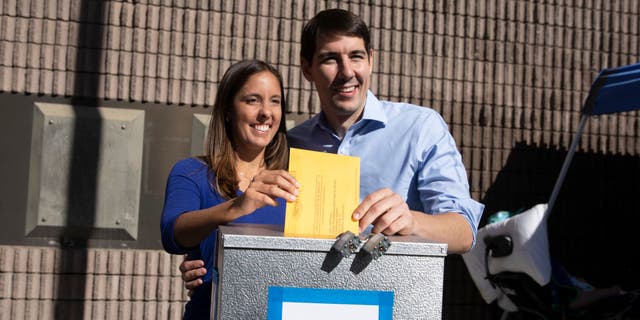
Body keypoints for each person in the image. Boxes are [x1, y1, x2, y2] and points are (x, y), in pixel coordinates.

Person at [179, 8, 484, 297]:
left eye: (356, 56)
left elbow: (465, 232)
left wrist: (412, 221)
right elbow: (252, 222)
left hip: (393, 301)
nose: (346, 72)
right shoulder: (289, 145)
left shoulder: (420, 127)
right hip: (306, 302)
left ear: (371, 60)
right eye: (330, 59)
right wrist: (210, 265)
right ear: (307, 68)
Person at [160, 59, 300, 319]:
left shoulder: (294, 183)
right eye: (252, 100)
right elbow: (172, 233)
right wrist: (236, 207)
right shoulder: (192, 172)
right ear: (227, 109)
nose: (266, 112)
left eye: (275, 101)